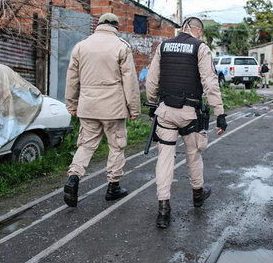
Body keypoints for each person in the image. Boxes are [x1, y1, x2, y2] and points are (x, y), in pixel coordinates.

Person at [146, 16, 227, 228]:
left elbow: (152, 79)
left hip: (165, 111)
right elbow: (209, 82)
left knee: (164, 157)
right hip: (190, 112)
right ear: (197, 30)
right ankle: (198, 194)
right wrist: (219, 113)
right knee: (193, 153)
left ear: (182, 29)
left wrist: (153, 104)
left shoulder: (163, 46)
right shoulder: (200, 47)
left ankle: (163, 208)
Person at [63, 13, 141, 207]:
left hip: (88, 106)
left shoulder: (81, 46)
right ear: (116, 26)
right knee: (116, 146)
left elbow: (72, 78)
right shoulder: (121, 46)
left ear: (98, 25)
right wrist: (134, 109)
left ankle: (74, 177)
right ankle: (113, 187)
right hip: (113, 108)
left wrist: (71, 104)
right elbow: (129, 81)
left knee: (86, 145)